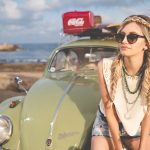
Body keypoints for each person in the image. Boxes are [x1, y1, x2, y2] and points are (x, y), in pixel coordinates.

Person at [91, 15, 150, 150]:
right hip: (107, 123)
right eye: (120, 36)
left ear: (146, 44)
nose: (124, 41)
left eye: (132, 37)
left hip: (139, 124)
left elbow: (148, 114)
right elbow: (109, 112)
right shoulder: (105, 66)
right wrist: (118, 148)